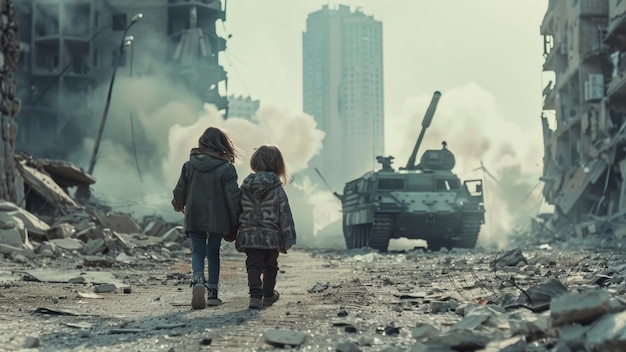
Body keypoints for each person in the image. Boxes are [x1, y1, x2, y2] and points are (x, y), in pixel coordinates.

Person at [171, 127, 242, 310]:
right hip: (218, 218)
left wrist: (178, 206)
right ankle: (212, 294)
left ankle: (198, 281)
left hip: (194, 215)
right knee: (213, 252)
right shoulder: (227, 169)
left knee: (197, 251)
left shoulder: (189, 166)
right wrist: (237, 220)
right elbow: (233, 197)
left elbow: (180, 191)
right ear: (223, 145)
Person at [236, 145, 297, 309]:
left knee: (253, 264)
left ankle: (255, 296)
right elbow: (285, 213)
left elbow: (237, 209)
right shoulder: (277, 189)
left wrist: (235, 230)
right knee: (271, 265)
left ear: (254, 162)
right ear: (278, 165)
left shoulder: (244, 187)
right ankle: (268, 295)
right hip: (271, 236)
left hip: (248, 235)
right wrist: (289, 237)